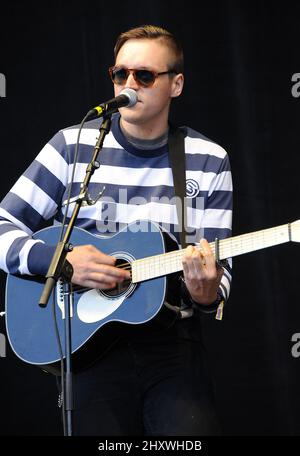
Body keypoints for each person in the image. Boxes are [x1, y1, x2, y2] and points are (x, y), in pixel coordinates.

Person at [0, 25, 232, 435]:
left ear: (175, 84)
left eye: (144, 76)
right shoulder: (71, 147)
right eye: (119, 74)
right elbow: (3, 226)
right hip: (88, 346)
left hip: (171, 346)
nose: (128, 84)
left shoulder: (207, 159)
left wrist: (205, 289)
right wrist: (64, 261)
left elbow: (217, 278)